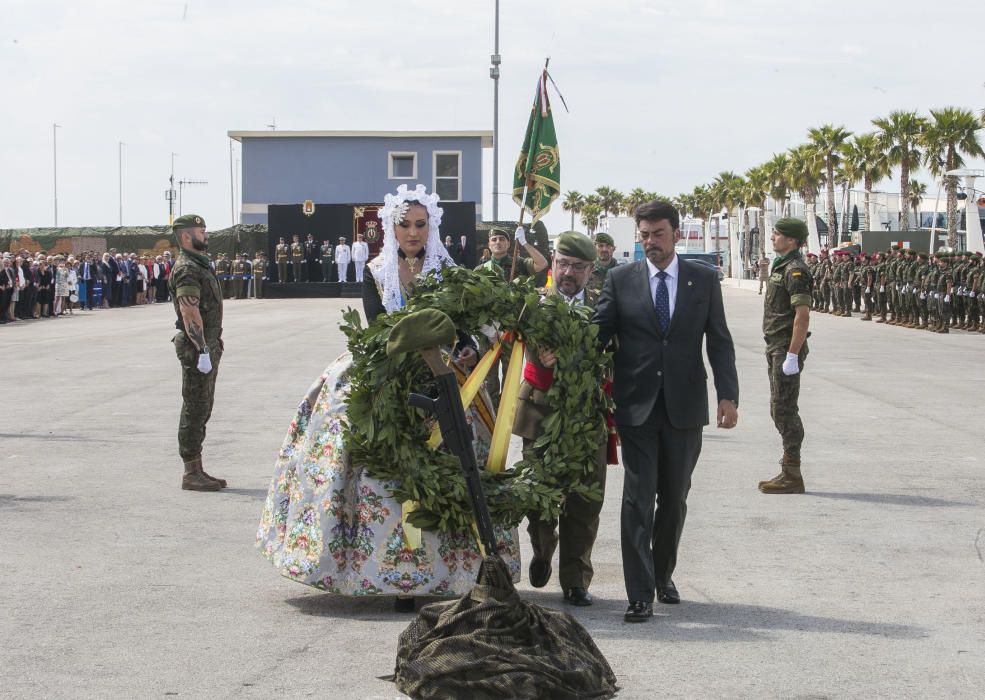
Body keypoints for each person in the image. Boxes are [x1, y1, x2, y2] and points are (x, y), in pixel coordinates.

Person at [258, 184, 520, 611]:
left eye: (420, 225)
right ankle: (380, 570)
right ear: (391, 227)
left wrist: (468, 345)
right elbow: (377, 324)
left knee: (460, 458)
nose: (412, 233)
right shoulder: (376, 270)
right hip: (390, 366)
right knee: (363, 447)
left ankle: (454, 570)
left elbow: (465, 322)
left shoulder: (448, 269)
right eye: (405, 225)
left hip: (446, 370)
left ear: (430, 226)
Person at [593, 199, 739, 623]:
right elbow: (598, 336)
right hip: (636, 406)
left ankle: (662, 574)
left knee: (674, 499)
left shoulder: (702, 278)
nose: (651, 242)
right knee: (638, 500)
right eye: (644, 235)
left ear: (677, 234)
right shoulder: (621, 280)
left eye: (658, 234)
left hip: (685, 406)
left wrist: (728, 395)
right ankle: (639, 593)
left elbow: (720, 340)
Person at [513, 231, 608, 608]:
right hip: (540, 413)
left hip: (588, 416)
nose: (568, 273)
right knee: (539, 496)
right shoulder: (533, 305)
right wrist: (537, 356)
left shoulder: (604, 306)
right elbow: (507, 336)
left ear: (591, 269)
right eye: (563, 264)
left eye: (578, 267)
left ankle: (575, 578)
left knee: (586, 501)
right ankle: (542, 547)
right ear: (553, 262)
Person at [168, 214, 227, 492]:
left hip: (209, 344)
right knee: (194, 406)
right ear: (185, 237)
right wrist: (202, 349)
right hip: (197, 348)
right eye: (201, 231)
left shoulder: (200, 264)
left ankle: (197, 467)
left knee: (204, 406)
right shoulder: (187, 268)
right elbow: (189, 311)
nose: (206, 235)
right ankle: (190, 472)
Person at [757, 219, 813, 495]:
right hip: (776, 347)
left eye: (777, 234)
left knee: (784, 409)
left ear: (791, 240)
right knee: (778, 407)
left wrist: (792, 354)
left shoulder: (795, 270)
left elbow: (802, 315)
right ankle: (789, 470)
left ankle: (792, 473)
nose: (772, 237)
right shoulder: (781, 265)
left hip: (785, 349)